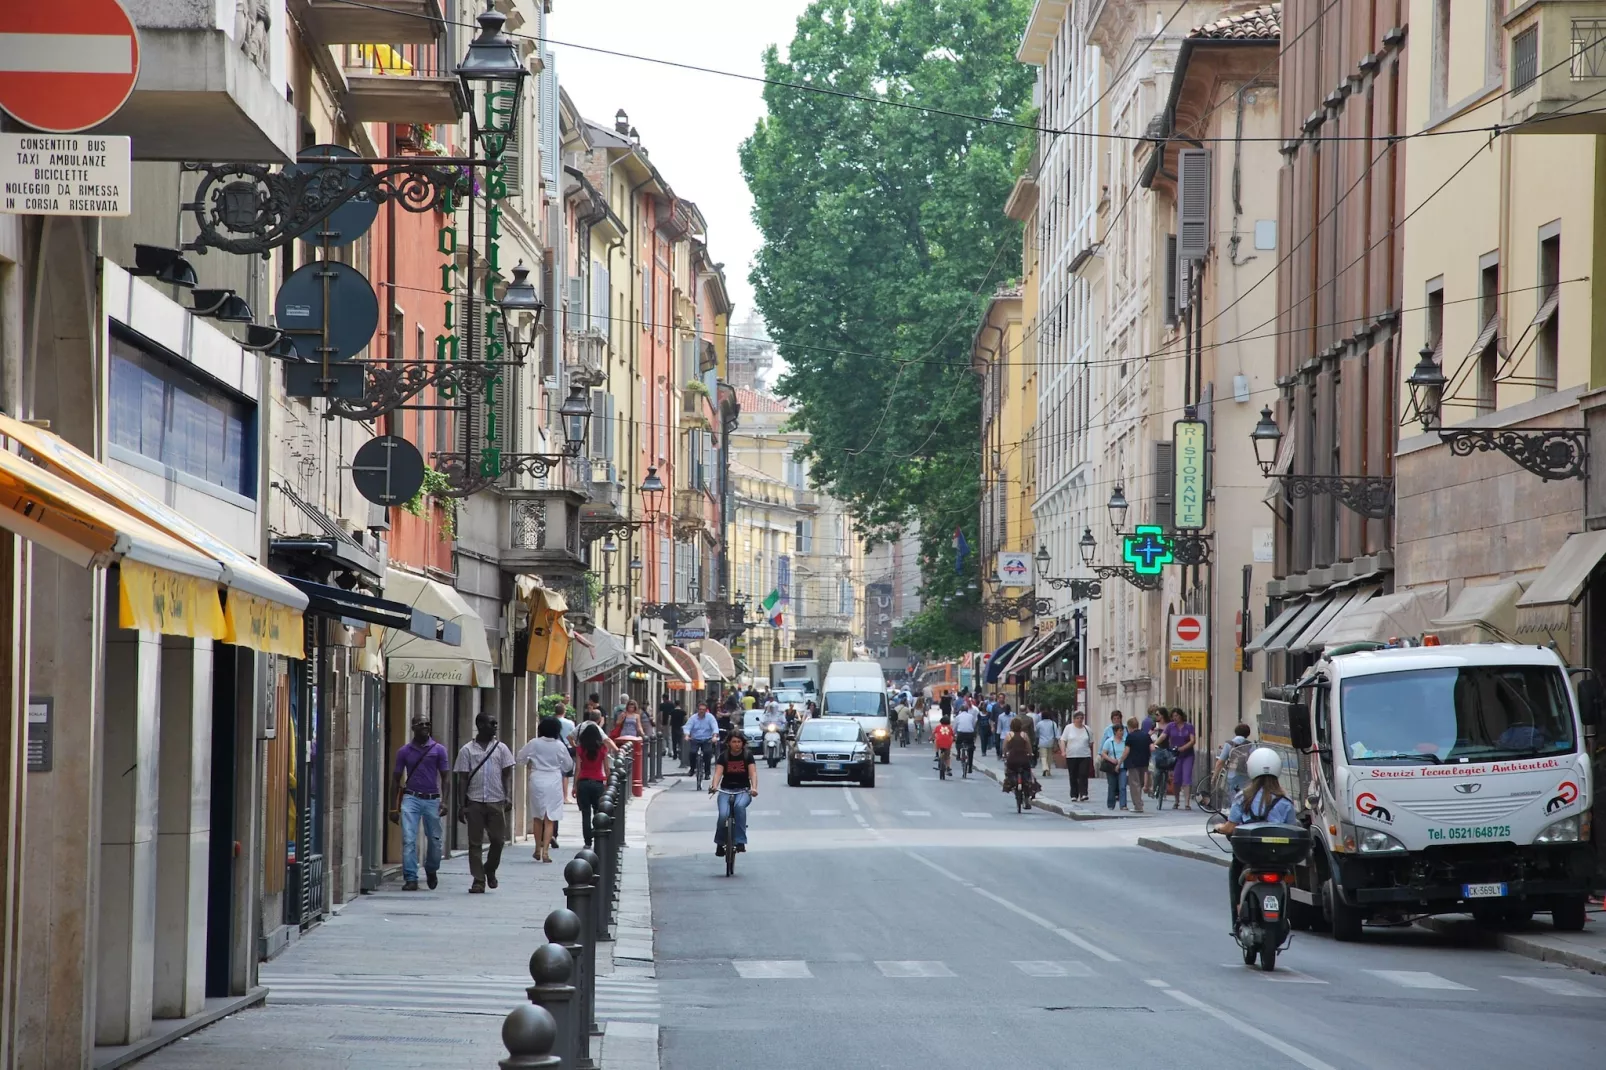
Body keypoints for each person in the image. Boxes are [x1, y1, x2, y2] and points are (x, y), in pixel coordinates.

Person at [1214, 747, 1297, 925]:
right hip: (1277, 857)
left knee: (1236, 870)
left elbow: (1231, 827)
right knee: (1288, 876)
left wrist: (1220, 827)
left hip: (1250, 855)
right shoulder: (1285, 801)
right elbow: (1292, 828)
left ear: (1251, 769)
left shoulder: (1242, 797)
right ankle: (1286, 914)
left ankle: (1237, 911)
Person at [454, 712, 515, 893]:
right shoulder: (467, 750)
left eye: (496, 723)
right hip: (474, 801)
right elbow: (462, 778)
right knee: (475, 843)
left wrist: (508, 795)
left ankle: (489, 869)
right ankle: (478, 880)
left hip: (496, 801)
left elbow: (507, 775)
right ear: (480, 725)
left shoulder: (501, 748)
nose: (495, 726)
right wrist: (461, 805)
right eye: (492, 723)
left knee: (498, 840)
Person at [390, 714, 450, 891]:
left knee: (435, 840)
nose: (425, 726)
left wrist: (445, 801)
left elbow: (446, 778)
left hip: (432, 799)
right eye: (420, 724)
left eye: (427, 724)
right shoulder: (404, 751)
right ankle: (411, 877)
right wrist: (393, 807)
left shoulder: (439, 750)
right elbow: (395, 779)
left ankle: (431, 869)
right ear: (413, 728)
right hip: (411, 798)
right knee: (408, 839)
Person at [517, 717, 574, 863]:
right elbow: (568, 765)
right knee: (550, 818)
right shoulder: (559, 745)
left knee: (537, 816)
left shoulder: (534, 743)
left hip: (537, 778)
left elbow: (520, 758)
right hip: (553, 780)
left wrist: (530, 762)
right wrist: (557, 766)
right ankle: (546, 853)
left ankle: (537, 849)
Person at [709, 731, 759, 856]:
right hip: (726, 790)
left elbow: (752, 773)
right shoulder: (723, 756)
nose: (737, 744)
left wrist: (754, 788)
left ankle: (740, 841)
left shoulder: (747, 755)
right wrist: (714, 786)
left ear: (743, 743)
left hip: (743, 790)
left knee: (739, 807)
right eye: (734, 742)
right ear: (729, 743)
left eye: (739, 742)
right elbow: (718, 773)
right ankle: (720, 843)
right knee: (723, 815)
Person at [573, 718, 617, 849]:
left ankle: (587, 842)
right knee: (598, 812)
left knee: (585, 814)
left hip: (583, 783)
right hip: (598, 783)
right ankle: (598, 835)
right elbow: (607, 768)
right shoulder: (602, 749)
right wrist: (609, 782)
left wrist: (575, 786)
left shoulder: (580, 749)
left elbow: (578, 769)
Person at [1165, 708, 1198, 810]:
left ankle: (1187, 803)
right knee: (1176, 779)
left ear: (1181, 716)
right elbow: (1163, 736)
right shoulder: (1170, 726)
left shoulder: (1189, 727)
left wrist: (1183, 748)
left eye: (1177, 716)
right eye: (1173, 716)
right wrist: (1154, 743)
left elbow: (1193, 741)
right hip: (1175, 756)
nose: (1175, 718)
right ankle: (1176, 801)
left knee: (1186, 778)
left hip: (1188, 755)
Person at [1059, 711, 1094, 802]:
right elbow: (1063, 740)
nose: (1079, 720)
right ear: (1074, 719)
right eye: (1077, 718)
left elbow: (1091, 742)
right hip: (1071, 755)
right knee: (1073, 775)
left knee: (1083, 774)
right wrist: (1063, 751)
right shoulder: (1068, 728)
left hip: (1084, 755)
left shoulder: (1087, 729)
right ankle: (1074, 794)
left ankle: (1083, 794)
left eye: (1081, 718)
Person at [1214, 723, 1257, 797]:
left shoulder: (1229, 744)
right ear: (1248, 734)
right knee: (1245, 797)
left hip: (1232, 774)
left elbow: (1220, 762)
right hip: (1245, 776)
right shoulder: (1251, 745)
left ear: (1236, 732)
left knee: (1232, 798)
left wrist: (1214, 776)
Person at [1120, 715, 1152, 812]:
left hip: (1133, 763)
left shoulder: (1130, 736)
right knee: (1140, 784)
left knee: (1134, 784)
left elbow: (1126, 751)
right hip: (1144, 763)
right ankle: (1139, 803)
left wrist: (1120, 762)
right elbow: (1152, 748)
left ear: (1129, 727)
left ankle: (1138, 806)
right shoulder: (1146, 735)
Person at [1002, 716, 1036, 805]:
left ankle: (1009, 783)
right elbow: (1029, 747)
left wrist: (1004, 754)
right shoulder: (1024, 735)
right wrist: (1030, 754)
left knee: (1009, 771)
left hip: (1012, 759)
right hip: (1023, 759)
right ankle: (1027, 792)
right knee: (1027, 773)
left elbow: (1004, 747)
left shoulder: (1009, 735)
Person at [685, 702, 719, 779]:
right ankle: (692, 769)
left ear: (706, 710)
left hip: (707, 739)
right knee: (692, 752)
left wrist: (714, 736)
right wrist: (687, 735)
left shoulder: (710, 717)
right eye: (700, 709)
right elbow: (688, 727)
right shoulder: (693, 718)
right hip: (695, 739)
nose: (702, 711)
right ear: (698, 709)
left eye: (703, 710)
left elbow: (715, 727)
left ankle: (707, 773)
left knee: (707, 753)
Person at [1100, 722, 1127, 811]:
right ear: (1115, 732)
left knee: (1122, 786)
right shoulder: (1109, 741)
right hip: (1112, 767)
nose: (1122, 733)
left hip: (1122, 766)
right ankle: (1111, 804)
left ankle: (1123, 805)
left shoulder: (1125, 741)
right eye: (1120, 731)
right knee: (1112, 786)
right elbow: (1103, 753)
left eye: (1122, 731)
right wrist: (1111, 760)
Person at [952, 698, 978, 777]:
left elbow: (955, 728)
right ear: (967, 710)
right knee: (971, 749)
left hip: (961, 734)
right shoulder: (971, 716)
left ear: (960, 710)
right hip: (970, 734)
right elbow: (973, 725)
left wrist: (953, 734)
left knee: (958, 743)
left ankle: (959, 753)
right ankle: (970, 767)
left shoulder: (958, 717)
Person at [1035, 710, 1059, 778]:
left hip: (1042, 742)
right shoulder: (1053, 723)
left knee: (1043, 756)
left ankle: (1045, 768)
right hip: (1051, 742)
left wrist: (1037, 737)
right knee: (1049, 757)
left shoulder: (1039, 723)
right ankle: (1048, 771)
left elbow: (1036, 732)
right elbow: (1056, 733)